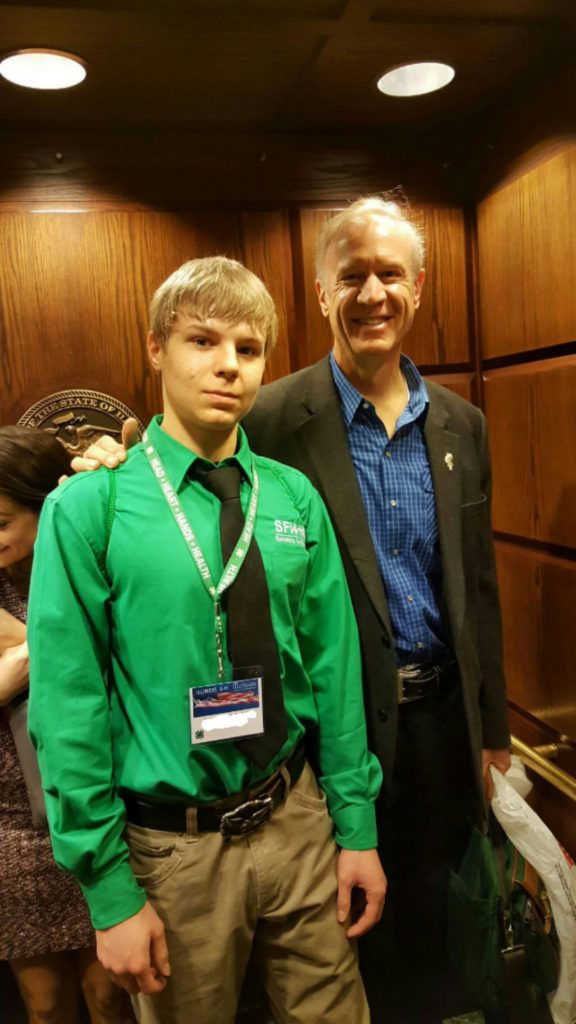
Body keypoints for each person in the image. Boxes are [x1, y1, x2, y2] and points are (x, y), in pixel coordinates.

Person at [82, 196, 511, 1021]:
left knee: (434, 922)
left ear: (419, 288)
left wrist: (492, 734)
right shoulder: (269, 410)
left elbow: (479, 589)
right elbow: (186, 466)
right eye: (353, 276)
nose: (374, 293)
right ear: (323, 295)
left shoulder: (463, 423)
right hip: (315, 743)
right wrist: (107, 457)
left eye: (392, 274)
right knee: (342, 951)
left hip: (441, 724)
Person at [27, 256, 386, 1024]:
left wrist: (355, 828)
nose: (227, 365)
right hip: (172, 851)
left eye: (248, 348)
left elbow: (336, 674)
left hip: (297, 819)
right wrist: (109, 893)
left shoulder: (294, 498)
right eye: (202, 340)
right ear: (157, 348)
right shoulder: (93, 506)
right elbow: (69, 708)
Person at [0, 426, 133, 1024]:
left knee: (110, 993)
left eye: (2, 521)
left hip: (96, 805)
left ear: (43, 502)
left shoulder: (89, 555)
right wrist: (54, 649)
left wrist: (26, 649)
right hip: (10, 829)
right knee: (43, 1004)